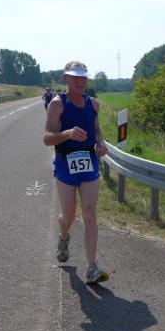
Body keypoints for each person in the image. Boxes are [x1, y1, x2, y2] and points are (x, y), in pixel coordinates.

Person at [43, 61, 109, 284]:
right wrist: (68, 133)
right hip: (65, 161)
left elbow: (96, 129)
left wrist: (100, 143)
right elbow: (47, 138)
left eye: (83, 77)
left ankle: (92, 267)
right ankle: (64, 236)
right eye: (75, 77)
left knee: (90, 212)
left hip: (89, 161)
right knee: (69, 216)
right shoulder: (57, 104)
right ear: (66, 79)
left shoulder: (94, 104)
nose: (81, 82)